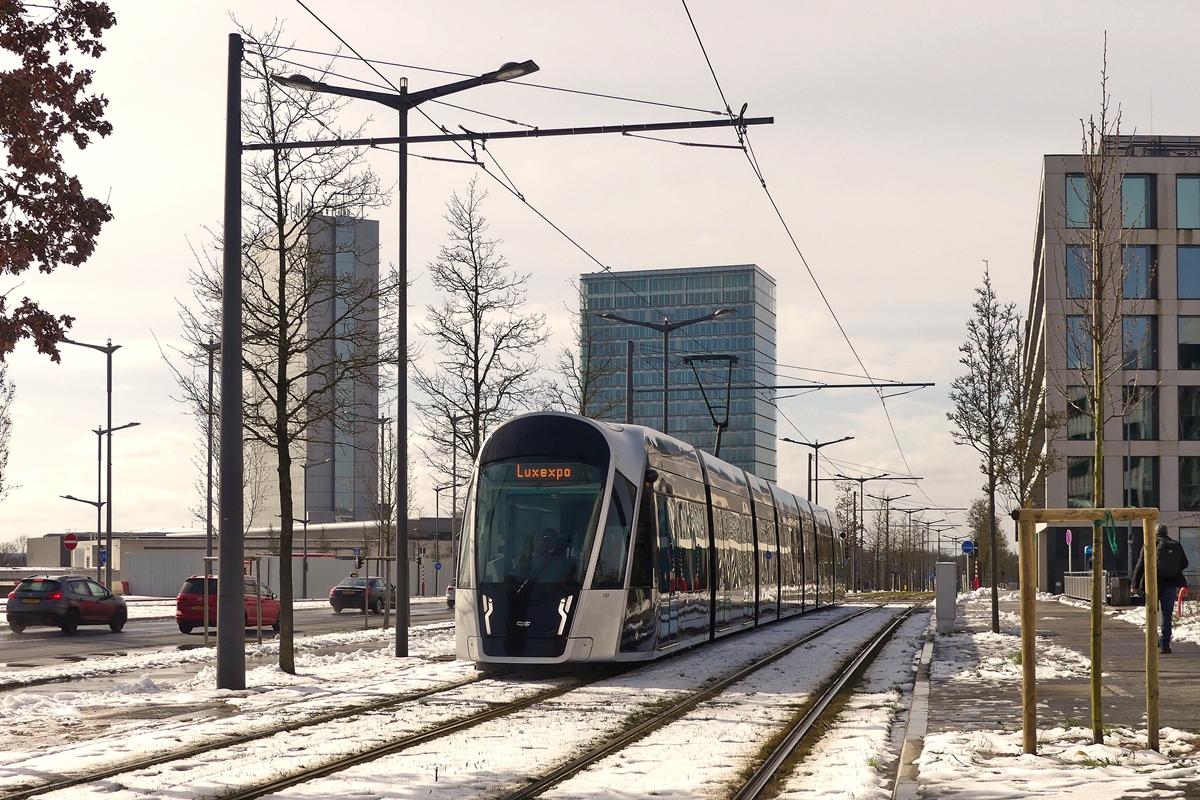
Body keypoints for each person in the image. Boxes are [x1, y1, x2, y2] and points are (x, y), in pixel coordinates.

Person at [1133, 524, 1190, 654]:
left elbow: (1140, 564)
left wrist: (1135, 583)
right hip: (1170, 583)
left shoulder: (1150, 544)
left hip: (1153, 583)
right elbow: (1185, 563)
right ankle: (1165, 644)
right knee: (1166, 614)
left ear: (1155, 533)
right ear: (1166, 532)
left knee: (1151, 612)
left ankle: (1153, 640)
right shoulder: (1175, 545)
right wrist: (1173, 570)